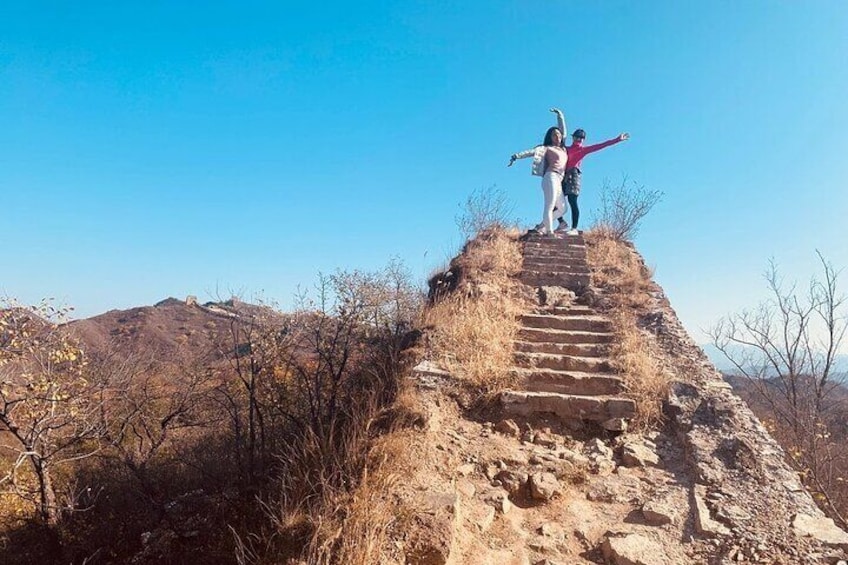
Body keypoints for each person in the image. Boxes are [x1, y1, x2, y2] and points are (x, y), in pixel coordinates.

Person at [508, 108, 569, 235]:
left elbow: (563, 130)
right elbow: (531, 152)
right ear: (550, 137)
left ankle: (542, 225)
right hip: (550, 177)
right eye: (554, 135)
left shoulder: (563, 148)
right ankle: (549, 231)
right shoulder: (546, 148)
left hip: (559, 179)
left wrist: (560, 116)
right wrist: (517, 156)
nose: (557, 136)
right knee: (550, 204)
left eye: (558, 134)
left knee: (563, 209)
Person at [560, 127, 630, 235]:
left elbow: (600, 146)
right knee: (555, 200)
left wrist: (617, 140)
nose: (579, 139)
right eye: (577, 137)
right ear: (573, 137)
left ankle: (574, 228)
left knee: (572, 201)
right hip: (564, 176)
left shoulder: (583, 150)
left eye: (581, 138)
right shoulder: (566, 149)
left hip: (574, 175)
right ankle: (561, 222)